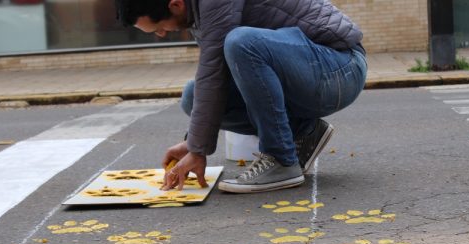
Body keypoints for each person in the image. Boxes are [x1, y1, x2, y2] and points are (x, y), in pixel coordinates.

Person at [115, 0, 367, 193]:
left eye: (159, 28)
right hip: (312, 73)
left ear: (175, 4)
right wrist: (193, 143)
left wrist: (198, 149)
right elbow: (219, 77)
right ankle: (303, 131)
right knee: (192, 96)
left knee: (241, 42)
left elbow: (213, 73)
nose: (161, 34)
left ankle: (281, 159)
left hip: (339, 68)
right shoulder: (198, 10)